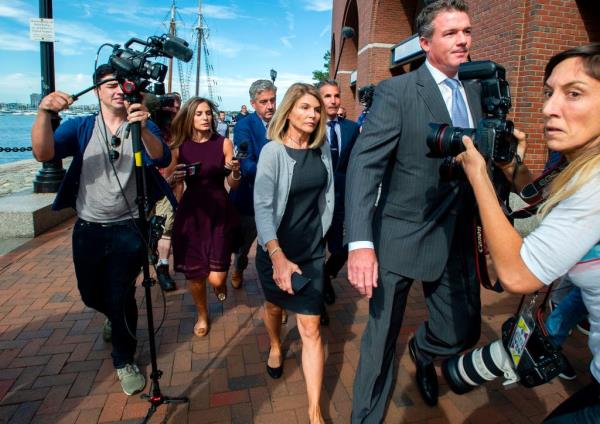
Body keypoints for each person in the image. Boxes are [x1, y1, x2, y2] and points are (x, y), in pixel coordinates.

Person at [344, 0, 484, 419]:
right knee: (379, 341)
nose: (462, 40)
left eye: (466, 31)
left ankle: (422, 353)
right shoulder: (396, 92)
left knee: (463, 330)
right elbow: (364, 167)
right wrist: (361, 243)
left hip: (456, 237)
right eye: (450, 33)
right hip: (398, 239)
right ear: (425, 43)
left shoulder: (476, 91)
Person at [455, 43, 600, 424]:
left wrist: (478, 177)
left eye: (574, 93)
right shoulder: (586, 169)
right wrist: (510, 167)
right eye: (549, 92)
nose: (549, 108)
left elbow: (518, 275)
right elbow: (549, 207)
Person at [30, 64, 172, 396]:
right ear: (97, 91)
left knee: (122, 294)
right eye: (110, 85)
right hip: (89, 228)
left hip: (129, 228)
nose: (118, 89)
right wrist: (42, 113)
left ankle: (124, 358)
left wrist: (145, 129)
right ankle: (111, 313)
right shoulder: (82, 128)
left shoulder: (142, 124)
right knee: (91, 293)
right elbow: (43, 153)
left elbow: (161, 158)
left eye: (123, 84)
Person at [254, 83, 333, 424]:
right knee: (274, 307)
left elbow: (327, 195)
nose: (313, 114)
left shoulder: (322, 147)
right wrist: (277, 256)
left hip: (311, 252)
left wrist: (323, 239)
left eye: (316, 109)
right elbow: (262, 205)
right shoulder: (272, 152)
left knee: (311, 327)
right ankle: (274, 344)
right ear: (289, 111)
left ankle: (314, 411)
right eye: (305, 108)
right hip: (276, 250)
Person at [169, 97, 241, 337]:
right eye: (199, 113)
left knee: (217, 279)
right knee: (196, 274)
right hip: (191, 214)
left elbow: (233, 184)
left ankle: (220, 285)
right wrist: (175, 179)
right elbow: (174, 190)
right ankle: (202, 314)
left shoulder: (224, 143)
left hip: (219, 211)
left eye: (208, 113)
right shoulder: (179, 147)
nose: (205, 117)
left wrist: (235, 172)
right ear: (190, 116)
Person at [317, 80, 360, 326]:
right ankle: (317, 303)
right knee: (314, 252)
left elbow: (356, 162)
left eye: (336, 95)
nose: (333, 100)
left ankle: (326, 273)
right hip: (316, 202)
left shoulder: (352, 129)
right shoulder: (311, 128)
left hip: (343, 199)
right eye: (327, 96)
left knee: (344, 246)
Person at [229, 80, 277, 288]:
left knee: (275, 246)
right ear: (253, 103)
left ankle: (275, 290)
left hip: (278, 199)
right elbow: (246, 162)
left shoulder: (282, 122)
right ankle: (238, 268)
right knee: (243, 244)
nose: (270, 106)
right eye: (264, 101)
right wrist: (276, 178)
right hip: (250, 197)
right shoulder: (243, 125)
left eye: (273, 100)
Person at [148, 92, 182, 292]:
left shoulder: (179, 130)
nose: (174, 111)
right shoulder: (149, 128)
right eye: (171, 107)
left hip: (168, 187)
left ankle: (163, 267)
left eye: (178, 107)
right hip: (146, 186)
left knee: (166, 228)